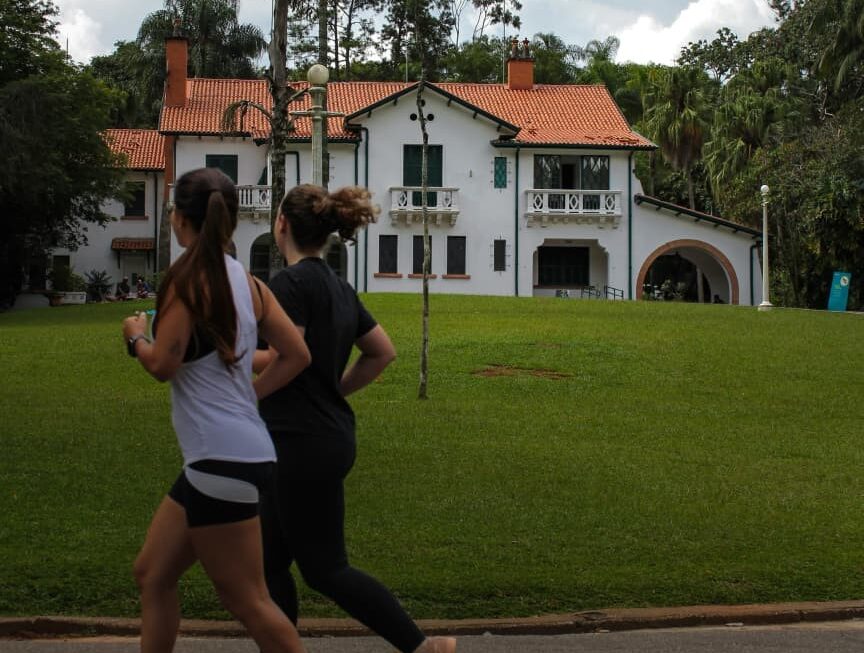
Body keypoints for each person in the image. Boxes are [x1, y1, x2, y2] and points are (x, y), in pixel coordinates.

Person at [256, 184, 456, 653]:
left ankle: (423, 647)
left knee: (326, 569)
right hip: (320, 437)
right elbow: (381, 352)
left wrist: (232, 358)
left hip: (298, 441)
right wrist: (334, 389)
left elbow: (289, 353)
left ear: (281, 224)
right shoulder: (339, 287)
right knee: (268, 563)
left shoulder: (288, 285)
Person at [121, 167, 312, 653]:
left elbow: (163, 364)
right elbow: (295, 355)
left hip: (219, 461)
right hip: (233, 457)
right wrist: (250, 395)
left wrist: (135, 339)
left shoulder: (185, 279)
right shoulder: (247, 282)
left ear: (179, 219)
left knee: (249, 600)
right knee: (152, 572)